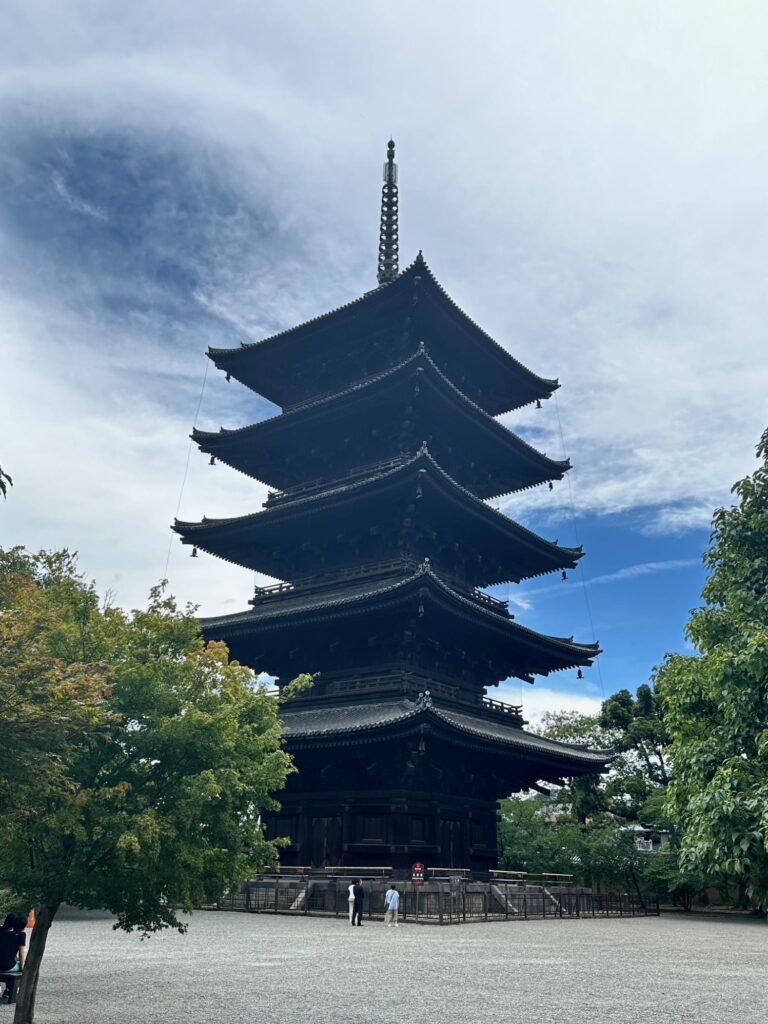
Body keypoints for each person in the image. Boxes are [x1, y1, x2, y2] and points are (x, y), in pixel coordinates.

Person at [0, 914, 26, 1004]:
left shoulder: (2, 932)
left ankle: (7, 990)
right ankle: (11, 991)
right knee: (17, 962)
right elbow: (22, 954)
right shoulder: (21, 935)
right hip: (8, 966)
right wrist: (22, 968)